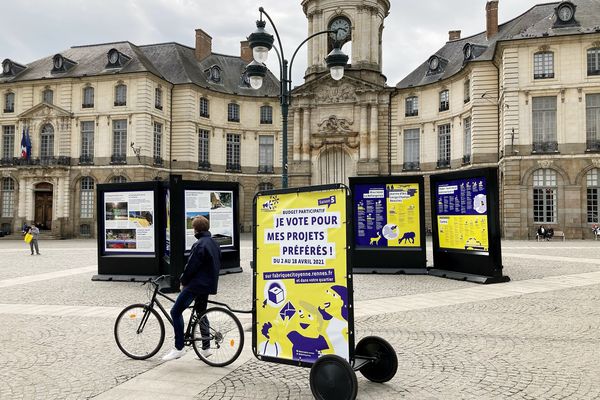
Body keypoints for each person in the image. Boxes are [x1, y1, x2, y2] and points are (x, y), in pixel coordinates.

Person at [162, 215, 221, 361]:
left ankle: (179, 348)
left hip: (196, 285)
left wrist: (183, 281)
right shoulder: (214, 243)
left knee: (175, 311)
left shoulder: (200, 244)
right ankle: (206, 348)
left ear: (196, 229)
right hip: (208, 284)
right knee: (201, 313)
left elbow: (191, 267)